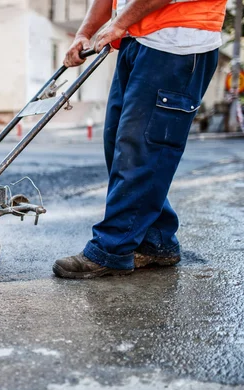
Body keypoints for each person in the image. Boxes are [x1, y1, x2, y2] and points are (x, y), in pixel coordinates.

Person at [54, 0, 228, 278]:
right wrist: (83, 34)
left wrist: (118, 23)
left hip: (178, 43)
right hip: (136, 41)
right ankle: (156, 241)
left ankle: (112, 249)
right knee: (119, 146)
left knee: (143, 149)